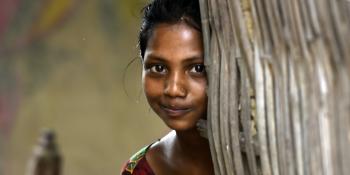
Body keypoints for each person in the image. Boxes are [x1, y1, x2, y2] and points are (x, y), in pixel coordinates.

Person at [121, 0, 213, 174]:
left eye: (197, 68)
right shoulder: (140, 171)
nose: (173, 89)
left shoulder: (267, 159)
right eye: (159, 68)